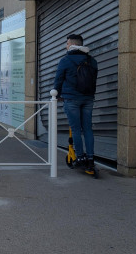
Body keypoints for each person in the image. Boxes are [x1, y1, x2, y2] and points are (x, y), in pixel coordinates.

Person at [53, 34, 98, 173]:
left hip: (71, 99)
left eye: (67, 43)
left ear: (72, 44)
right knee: (88, 129)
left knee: (76, 129)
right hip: (88, 98)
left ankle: (79, 157)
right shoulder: (92, 60)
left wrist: (57, 94)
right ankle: (90, 158)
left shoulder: (65, 60)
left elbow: (58, 80)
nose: (66, 46)